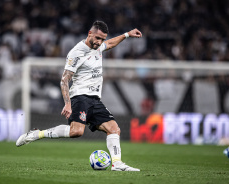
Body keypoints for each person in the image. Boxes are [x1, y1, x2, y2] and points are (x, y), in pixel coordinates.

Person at [16, 20, 142, 171]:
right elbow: (64, 79)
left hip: (94, 99)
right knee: (76, 132)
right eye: (97, 38)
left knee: (114, 129)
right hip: (80, 97)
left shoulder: (98, 46)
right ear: (90, 34)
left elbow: (110, 44)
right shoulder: (77, 52)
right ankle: (37, 134)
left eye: (102, 39)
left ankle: (117, 163)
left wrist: (127, 34)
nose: (99, 42)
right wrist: (67, 103)